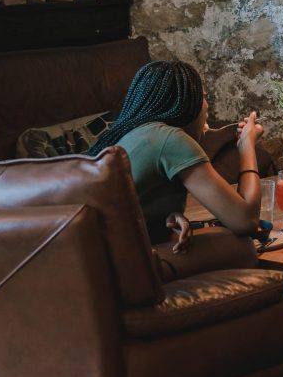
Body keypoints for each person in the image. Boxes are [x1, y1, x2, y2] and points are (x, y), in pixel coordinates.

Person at [89, 59, 262, 245]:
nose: (207, 105)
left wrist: (165, 219)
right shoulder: (171, 139)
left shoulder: (130, 133)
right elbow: (245, 222)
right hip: (129, 262)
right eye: (203, 96)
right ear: (189, 103)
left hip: (98, 259)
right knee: (242, 247)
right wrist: (247, 146)